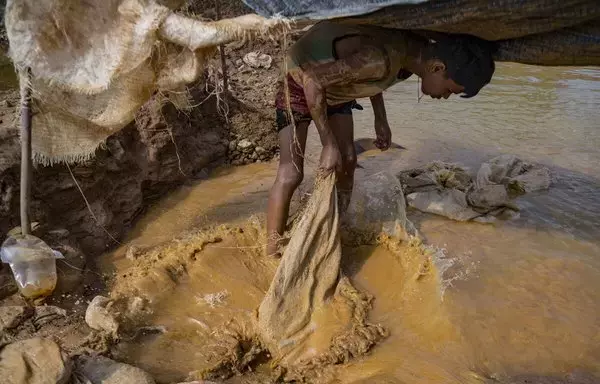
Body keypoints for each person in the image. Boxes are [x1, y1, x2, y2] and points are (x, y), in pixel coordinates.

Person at [266, 21, 496, 257]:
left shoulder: (413, 55)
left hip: (337, 87)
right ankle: (272, 250)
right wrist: (328, 143)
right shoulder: (378, 59)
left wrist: (380, 118)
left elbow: (373, 77)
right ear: (437, 68)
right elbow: (313, 81)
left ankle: (338, 225)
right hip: (298, 82)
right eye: (450, 90)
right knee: (291, 172)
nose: (445, 97)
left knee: (348, 160)